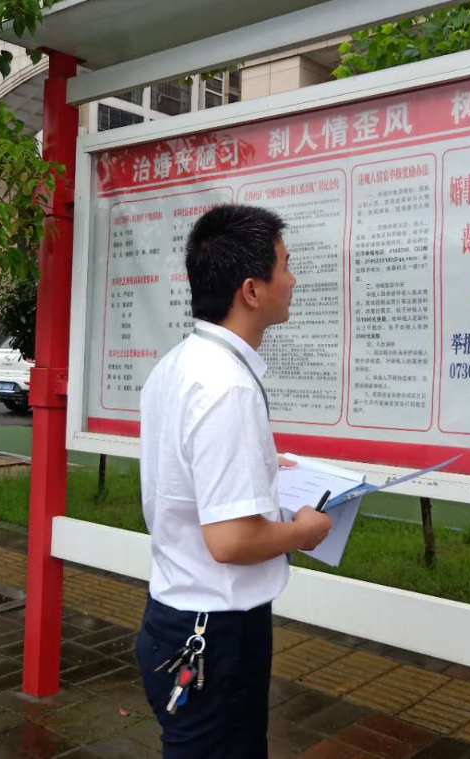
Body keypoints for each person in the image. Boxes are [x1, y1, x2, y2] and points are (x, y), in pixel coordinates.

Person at [136, 204, 333, 758]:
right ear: (251, 290)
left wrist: (262, 465)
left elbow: (187, 473)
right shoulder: (228, 387)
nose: (293, 280)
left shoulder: (179, 364)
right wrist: (304, 532)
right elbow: (232, 541)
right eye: (284, 266)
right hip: (215, 633)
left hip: (175, 613)